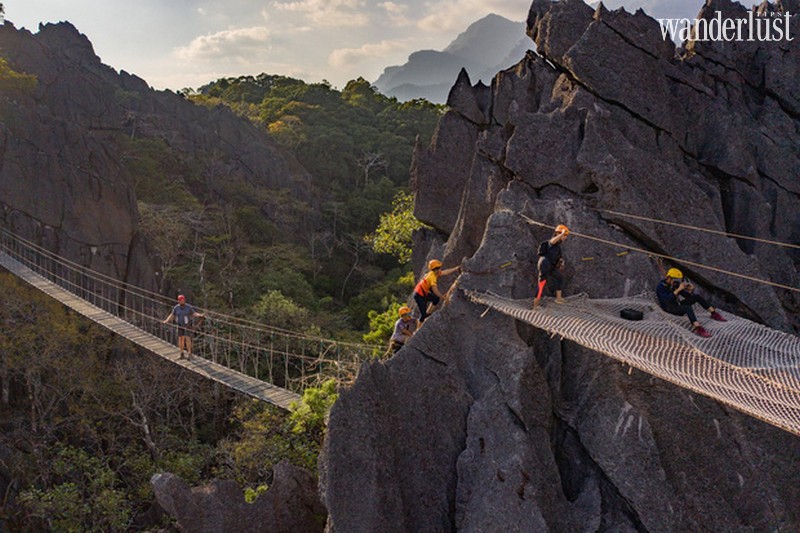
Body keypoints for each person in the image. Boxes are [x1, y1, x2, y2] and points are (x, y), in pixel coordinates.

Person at [656, 267, 726, 337]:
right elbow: (666, 299)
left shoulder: (675, 285)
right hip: (670, 308)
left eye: (677, 280)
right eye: (674, 280)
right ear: (668, 278)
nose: (676, 282)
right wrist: (678, 290)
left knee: (697, 297)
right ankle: (697, 327)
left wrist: (690, 290)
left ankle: (713, 313)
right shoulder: (660, 287)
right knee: (687, 308)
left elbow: (687, 296)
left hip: (677, 304)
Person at [413, 259, 461, 323]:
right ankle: (417, 330)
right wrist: (444, 298)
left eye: (439, 268)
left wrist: (456, 268)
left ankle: (428, 312)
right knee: (423, 315)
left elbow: (445, 272)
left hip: (423, 292)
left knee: (436, 299)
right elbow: (435, 290)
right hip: (418, 295)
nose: (439, 270)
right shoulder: (432, 277)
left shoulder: (434, 273)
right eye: (438, 269)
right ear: (434, 270)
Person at [533, 224, 570, 308]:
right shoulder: (552, 242)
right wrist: (561, 234)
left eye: (565, 236)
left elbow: (557, 257)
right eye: (564, 235)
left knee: (560, 278)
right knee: (542, 284)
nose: (565, 237)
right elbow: (551, 241)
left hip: (551, 266)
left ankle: (559, 299)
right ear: (557, 234)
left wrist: (561, 261)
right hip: (544, 264)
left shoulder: (557, 247)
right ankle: (535, 306)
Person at [163, 294, 204, 358]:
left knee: (187, 338)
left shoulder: (188, 307)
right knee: (181, 339)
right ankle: (181, 353)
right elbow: (172, 315)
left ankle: (189, 353)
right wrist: (166, 320)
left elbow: (194, 313)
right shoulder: (176, 308)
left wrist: (200, 315)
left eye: (183, 300)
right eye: (181, 300)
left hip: (187, 325)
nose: (182, 301)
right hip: (180, 325)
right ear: (178, 301)